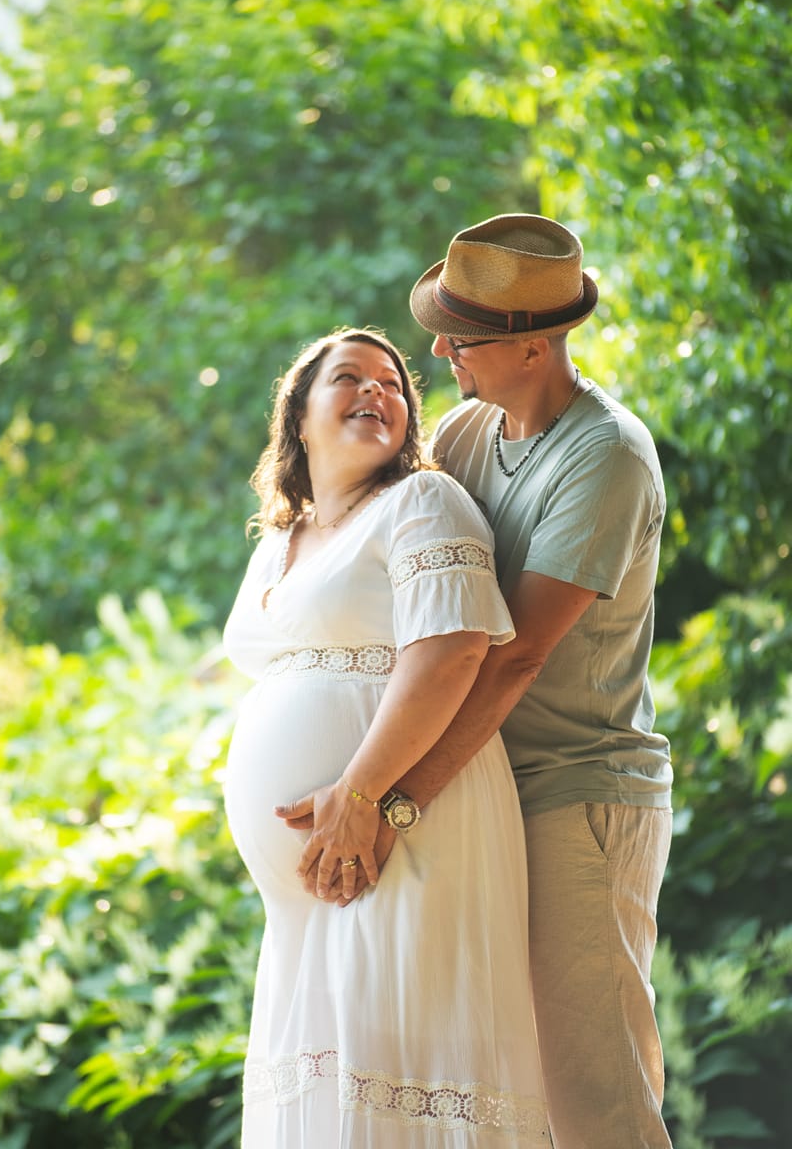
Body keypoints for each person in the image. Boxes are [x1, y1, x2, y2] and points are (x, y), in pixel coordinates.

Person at [284, 217, 674, 1149]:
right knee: (502, 1084)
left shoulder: (605, 457)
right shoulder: (467, 433)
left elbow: (514, 657)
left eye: (463, 336)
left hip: (573, 792)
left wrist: (386, 800)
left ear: (534, 347)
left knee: (593, 1090)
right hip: (483, 798)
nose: (439, 349)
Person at [222, 327, 552, 1147]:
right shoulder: (277, 542)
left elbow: (454, 652)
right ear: (298, 414)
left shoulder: (422, 502)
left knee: (399, 1079)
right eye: (350, 379)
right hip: (303, 897)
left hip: (405, 824)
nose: (377, 392)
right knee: (333, 1093)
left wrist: (362, 794)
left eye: (393, 383)